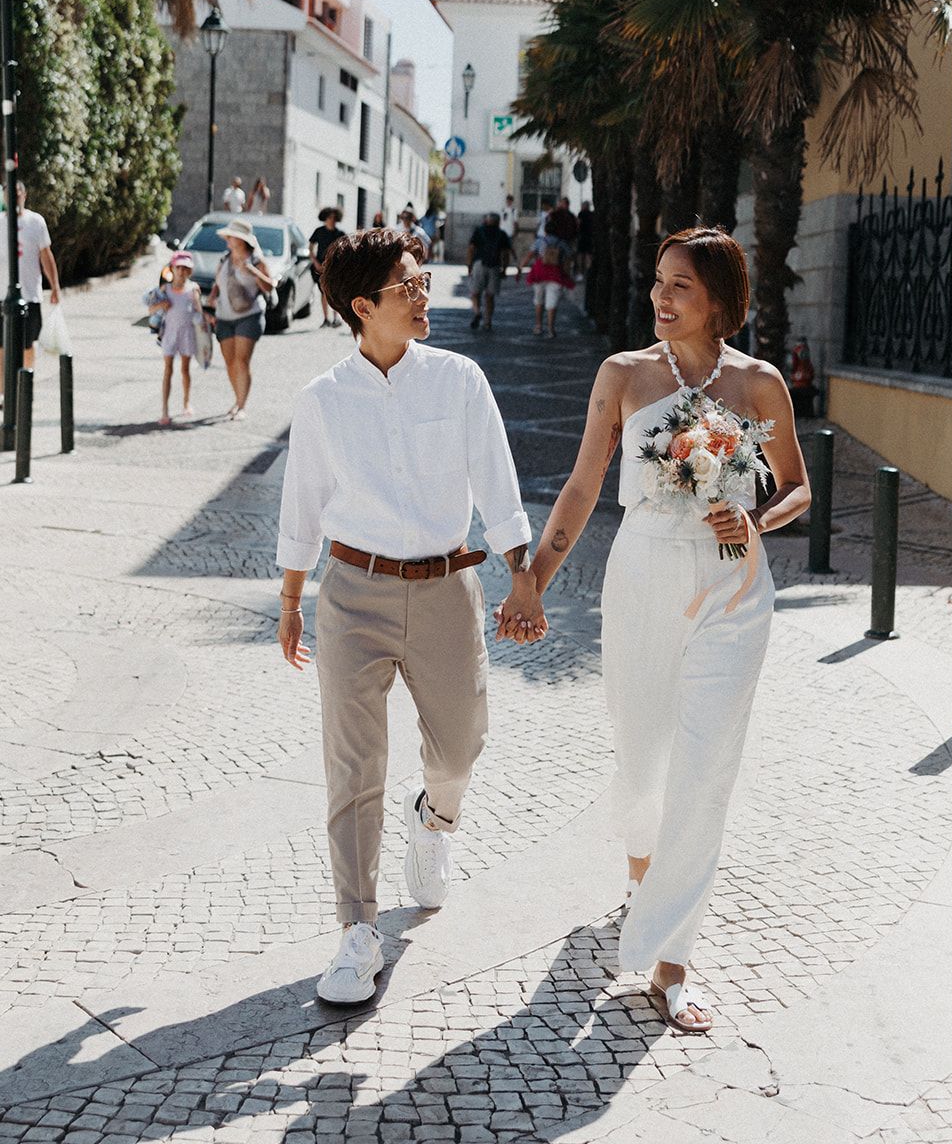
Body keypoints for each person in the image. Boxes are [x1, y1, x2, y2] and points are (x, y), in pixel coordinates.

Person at [497, 226, 810, 1032]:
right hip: (641, 571)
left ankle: (672, 960)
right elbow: (580, 483)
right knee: (641, 764)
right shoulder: (624, 373)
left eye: (679, 287)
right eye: (659, 284)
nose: (659, 298)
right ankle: (644, 877)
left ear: (718, 302)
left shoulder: (759, 382)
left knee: (706, 769)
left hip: (733, 586)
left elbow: (797, 489)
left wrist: (754, 517)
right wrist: (532, 580)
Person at [275, 227, 540, 1009]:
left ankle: (435, 818)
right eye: (408, 287)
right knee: (353, 766)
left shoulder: (458, 380)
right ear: (363, 306)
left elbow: (497, 481)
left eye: (423, 281)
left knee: (461, 745)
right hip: (351, 592)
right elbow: (302, 505)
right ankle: (357, 932)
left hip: (444, 590)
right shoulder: (322, 400)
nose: (424, 295)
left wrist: (520, 574)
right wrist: (291, 600)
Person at [208, 217, 276, 421]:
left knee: (242, 361)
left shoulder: (256, 261)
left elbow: (270, 286)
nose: (227, 239)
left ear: (241, 240)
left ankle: (242, 406)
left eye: (231, 237)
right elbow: (217, 284)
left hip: (249, 316)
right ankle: (237, 399)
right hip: (223, 317)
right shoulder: (224, 259)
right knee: (230, 362)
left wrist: (253, 272)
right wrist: (212, 296)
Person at [0, 180, 62, 374]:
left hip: (30, 295)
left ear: (24, 195)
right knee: (2, 348)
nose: (13, 196)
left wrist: (55, 287)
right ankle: (2, 395)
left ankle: (25, 391)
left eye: (17, 192)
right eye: (8, 192)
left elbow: (46, 255)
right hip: (2, 296)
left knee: (27, 346)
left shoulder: (36, 221)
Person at [146, 251, 205, 425]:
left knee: (185, 370)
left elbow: (198, 312)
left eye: (185, 268)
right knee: (168, 370)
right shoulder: (165, 289)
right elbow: (150, 310)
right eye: (178, 267)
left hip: (187, 334)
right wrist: (161, 305)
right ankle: (165, 410)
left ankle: (186, 402)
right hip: (169, 334)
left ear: (189, 271)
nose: (181, 271)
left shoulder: (193, 289)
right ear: (172, 269)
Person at [467, 212, 512, 332]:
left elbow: (471, 249)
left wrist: (469, 265)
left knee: (475, 293)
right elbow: (505, 253)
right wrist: (505, 269)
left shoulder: (479, 231)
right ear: (498, 222)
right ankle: (488, 322)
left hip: (479, 264)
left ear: (487, 221)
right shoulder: (502, 234)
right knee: (490, 296)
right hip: (495, 266)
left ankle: (477, 311)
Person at [522, 241, 574, 338]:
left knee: (538, 301)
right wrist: (567, 274)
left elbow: (530, 254)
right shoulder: (562, 243)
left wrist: (521, 267)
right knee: (552, 303)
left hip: (539, 273)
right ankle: (551, 329)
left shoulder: (540, 241)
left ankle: (538, 326)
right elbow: (569, 257)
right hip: (556, 274)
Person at [310, 208, 345, 327]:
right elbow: (310, 248)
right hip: (320, 267)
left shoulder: (340, 234)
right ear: (325, 218)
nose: (332, 220)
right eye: (330, 218)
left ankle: (336, 318)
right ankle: (326, 319)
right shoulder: (319, 231)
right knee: (324, 291)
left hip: (334, 267)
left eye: (334, 218)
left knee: (334, 292)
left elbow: (344, 251)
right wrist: (315, 262)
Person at [576, 200, 595, 278]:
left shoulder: (581, 213)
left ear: (584, 206)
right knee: (588, 255)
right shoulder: (592, 214)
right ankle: (589, 271)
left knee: (580, 255)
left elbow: (578, 224)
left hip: (582, 236)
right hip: (590, 236)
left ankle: (580, 272)